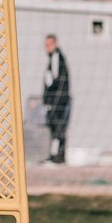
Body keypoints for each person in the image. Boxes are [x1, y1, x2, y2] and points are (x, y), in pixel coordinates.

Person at [42, 34, 71, 164]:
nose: (47, 47)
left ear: (55, 44)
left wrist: (51, 100)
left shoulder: (56, 58)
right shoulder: (53, 58)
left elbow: (56, 82)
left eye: (49, 44)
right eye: (46, 44)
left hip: (58, 101)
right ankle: (55, 154)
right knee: (54, 128)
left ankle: (59, 155)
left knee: (58, 128)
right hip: (55, 100)